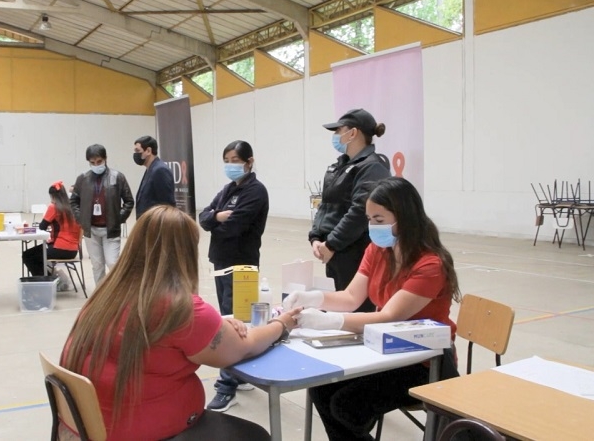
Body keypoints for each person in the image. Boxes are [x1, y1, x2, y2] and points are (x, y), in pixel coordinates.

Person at [61, 205, 302, 441]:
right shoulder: (179, 308)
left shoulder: (108, 293)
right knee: (255, 435)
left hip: (89, 424)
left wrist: (220, 325)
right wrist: (281, 324)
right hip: (141, 429)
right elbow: (245, 347)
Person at [284, 177, 461, 441]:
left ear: (404, 218)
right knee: (321, 389)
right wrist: (312, 298)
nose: (372, 227)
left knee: (347, 406)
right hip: (385, 350)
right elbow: (351, 296)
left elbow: (390, 317)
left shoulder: (430, 265)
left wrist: (327, 321)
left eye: (379, 220)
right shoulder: (379, 249)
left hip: (424, 361)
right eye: (369, 219)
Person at [198, 140, 269, 412]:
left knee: (234, 324)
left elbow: (235, 227)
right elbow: (204, 218)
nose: (230, 164)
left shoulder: (256, 191)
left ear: (249, 162)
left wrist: (216, 220)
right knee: (230, 318)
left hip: (242, 267)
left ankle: (226, 386)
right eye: (226, 159)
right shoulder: (228, 189)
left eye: (235, 159)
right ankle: (238, 376)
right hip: (221, 263)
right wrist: (217, 217)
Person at [310, 108, 391, 313]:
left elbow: (359, 212)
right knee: (335, 310)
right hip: (333, 252)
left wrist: (332, 244)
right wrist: (316, 238)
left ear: (353, 133)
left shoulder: (371, 167)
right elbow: (326, 204)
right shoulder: (339, 166)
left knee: (354, 313)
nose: (336, 136)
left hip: (353, 252)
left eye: (339, 131)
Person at [70, 144, 134, 285]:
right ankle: (100, 297)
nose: (96, 165)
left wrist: (119, 218)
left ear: (105, 159)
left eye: (99, 162)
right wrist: (81, 219)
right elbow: (74, 200)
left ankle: (117, 294)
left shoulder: (118, 177)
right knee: (97, 266)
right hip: (91, 230)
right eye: (92, 163)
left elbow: (129, 201)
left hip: (110, 229)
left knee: (113, 263)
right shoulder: (82, 179)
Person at [23, 182, 82, 280]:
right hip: (74, 250)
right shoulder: (73, 207)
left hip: (60, 248)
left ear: (52, 196)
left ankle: (47, 281)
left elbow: (42, 227)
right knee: (37, 252)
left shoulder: (54, 207)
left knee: (28, 255)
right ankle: (50, 278)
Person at [133, 135, 175, 219]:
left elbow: (166, 205)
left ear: (148, 151)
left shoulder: (160, 170)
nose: (135, 154)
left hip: (156, 226)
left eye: (137, 151)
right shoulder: (150, 169)